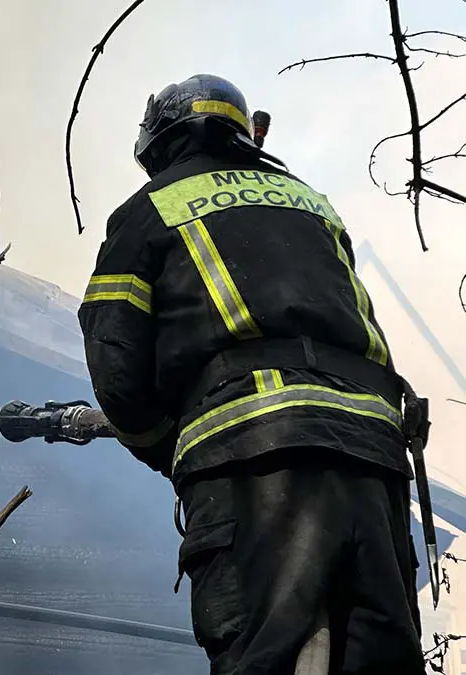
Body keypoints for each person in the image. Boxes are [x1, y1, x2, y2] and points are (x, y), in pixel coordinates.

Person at [75, 73, 427, 674]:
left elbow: (115, 355)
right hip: (373, 454)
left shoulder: (151, 207)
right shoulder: (311, 202)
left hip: (253, 455)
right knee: (379, 656)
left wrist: (168, 444)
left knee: (265, 653)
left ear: (164, 141)